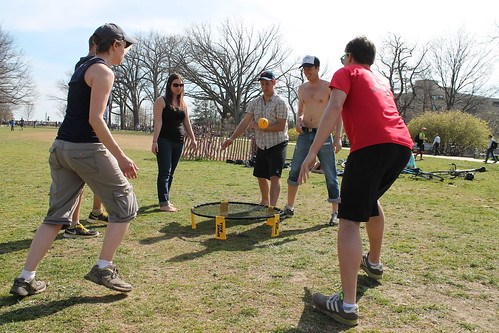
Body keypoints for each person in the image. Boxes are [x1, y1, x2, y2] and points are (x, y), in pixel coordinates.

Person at [9, 23, 139, 296]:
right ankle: (104, 267)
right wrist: (122, 157)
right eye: (124, 47)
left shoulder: (82, 67)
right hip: (86, 148)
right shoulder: (103, 71)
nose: (125, 53)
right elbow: (96, 119)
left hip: (60, 148)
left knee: (55, 217)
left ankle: (25, 278)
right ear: (115, 44)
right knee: (125, 204)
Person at [298, 36, 413, 326]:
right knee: (370, 200)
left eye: (342, 58)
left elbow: (333, 108)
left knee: (348, 218)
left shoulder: (346, 72)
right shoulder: (380, 81)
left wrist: (312, 152)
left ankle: (347, 306)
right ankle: (373, 264)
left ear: (349, 57)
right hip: (400, 147)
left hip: (371, 147)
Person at [282, 55, 342, 226]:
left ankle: (335, 213)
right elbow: (300, 110)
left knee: (330, 174)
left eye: (310, 68)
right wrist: (299, 120)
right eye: (304, 69)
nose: (307, 71)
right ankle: (289, 206)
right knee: (294, 170)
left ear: (317, 68)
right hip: (305, 135)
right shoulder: (302, 89)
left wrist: (337, 138)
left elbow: (338, 114)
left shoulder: (328, 87)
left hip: (323, 135)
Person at [63, 35, 109, 239]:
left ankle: (95, 213)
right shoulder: (89, 65)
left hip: (90, 133)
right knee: (82, 179)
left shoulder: (92, 66)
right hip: (84, 136)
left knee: (90, 176)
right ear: (97, 46)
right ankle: (73, 223)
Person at [221, 70, 289, 207]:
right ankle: (265, 201)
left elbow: (281, 126)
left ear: (274, 83)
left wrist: (260, 127)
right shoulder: (255, 103)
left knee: (275, 176)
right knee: (261, 175)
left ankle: (272, 207)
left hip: (278, 143)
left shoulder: (280, 102)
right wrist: (232, 138)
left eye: (267, 83)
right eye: (262, 84)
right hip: (262, 144)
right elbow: (245, 122)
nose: (264, 87)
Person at [151, 73, 197, 212]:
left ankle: (165, 198)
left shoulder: (183, 103)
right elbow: (158, 121)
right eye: (176, 85)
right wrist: (154, 141)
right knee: (164, 172)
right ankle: (163, 203)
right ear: (169, 85)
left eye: (181, 85)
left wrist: (193, 138)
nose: (179, 88)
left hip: (179, 141)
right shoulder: (161, 101)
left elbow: (186, 122)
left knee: (171, 173)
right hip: (164, 140)